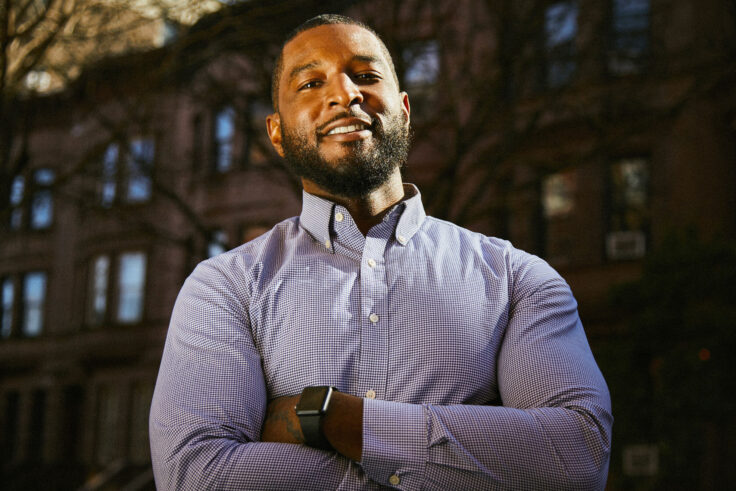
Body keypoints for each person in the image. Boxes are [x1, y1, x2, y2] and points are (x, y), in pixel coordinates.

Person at [149, 14, 612, 490]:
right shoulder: (224, 288)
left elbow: (578, 456)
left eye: (367, 77)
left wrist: (332, 419)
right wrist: (465, 460)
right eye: (310, 82)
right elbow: (194, 477)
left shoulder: (518, 280)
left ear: (405, 110)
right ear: (277, 133)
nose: (345, 94)